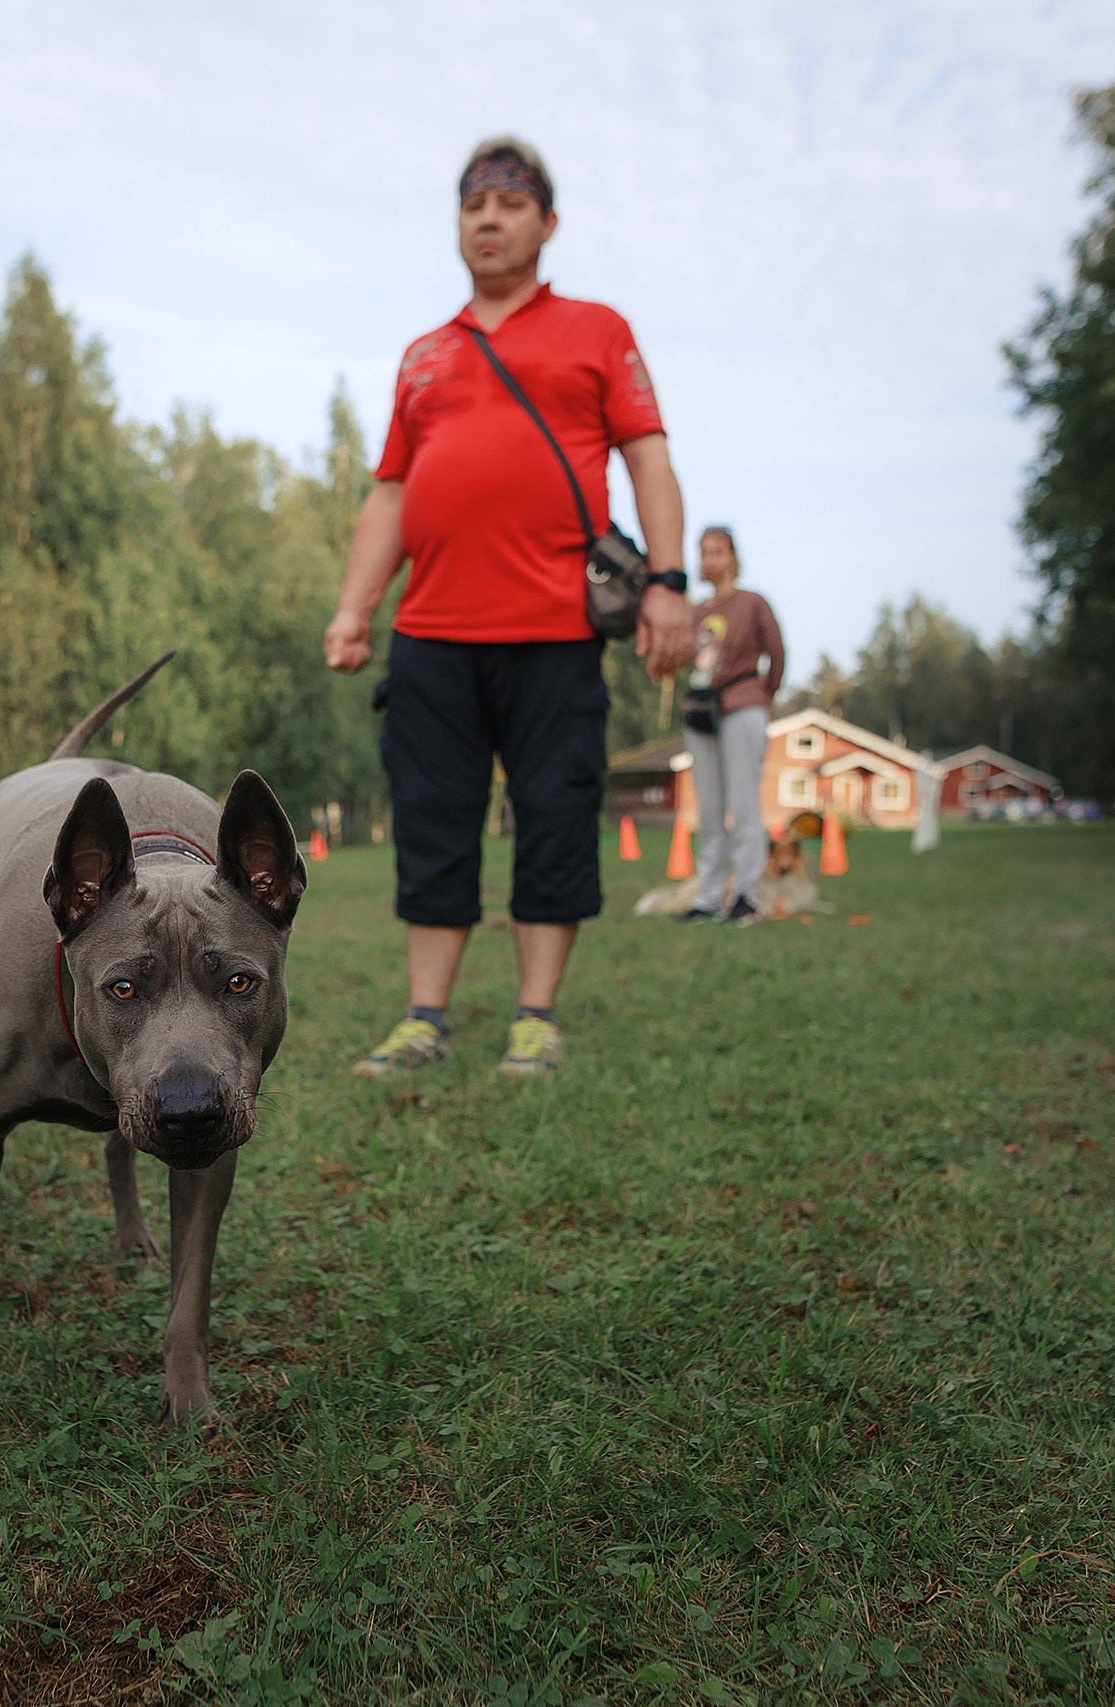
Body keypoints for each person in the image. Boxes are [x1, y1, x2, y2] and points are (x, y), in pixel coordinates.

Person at [324, 137, 692, 1078]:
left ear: (547, 223)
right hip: (432, 637)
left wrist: (668, 582)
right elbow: (392, 493)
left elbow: (647, 454)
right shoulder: (425, 356)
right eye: (473, 204)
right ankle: (425, 1018)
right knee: (434, 820)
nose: (488, 219)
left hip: (555, 634)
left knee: (556, 816)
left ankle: (535, 1017)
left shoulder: (599, 331)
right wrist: (355, 605)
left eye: (510, 203)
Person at [678, 525, 785, 924]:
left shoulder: (752, 603)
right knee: (709, 808)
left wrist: (762, 696)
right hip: (703, 711)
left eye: (718, 552)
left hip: (743, 707)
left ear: (734, 558)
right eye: (704, 552)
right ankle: (708, 896)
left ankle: (747, 896)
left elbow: (777, 652)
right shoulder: (696, 613)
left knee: (743, 804)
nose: (710, 560)